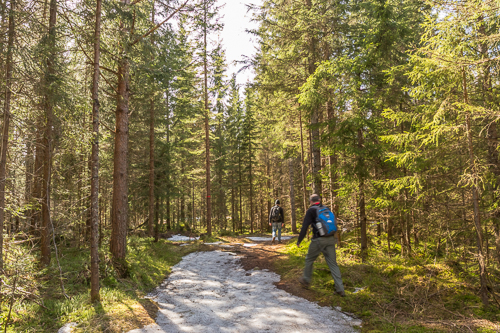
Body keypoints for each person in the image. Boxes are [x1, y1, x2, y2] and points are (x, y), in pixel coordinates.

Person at [296, 194, 345, 297]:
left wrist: (299, 240)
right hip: (331, 239)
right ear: (319, 200)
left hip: (318, 240)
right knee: (333, 264)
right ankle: (340, 289)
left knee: (309, 259)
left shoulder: (311, 210)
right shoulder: (326, 208)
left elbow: (305, 227)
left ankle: (306, 280)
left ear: (310, 201)